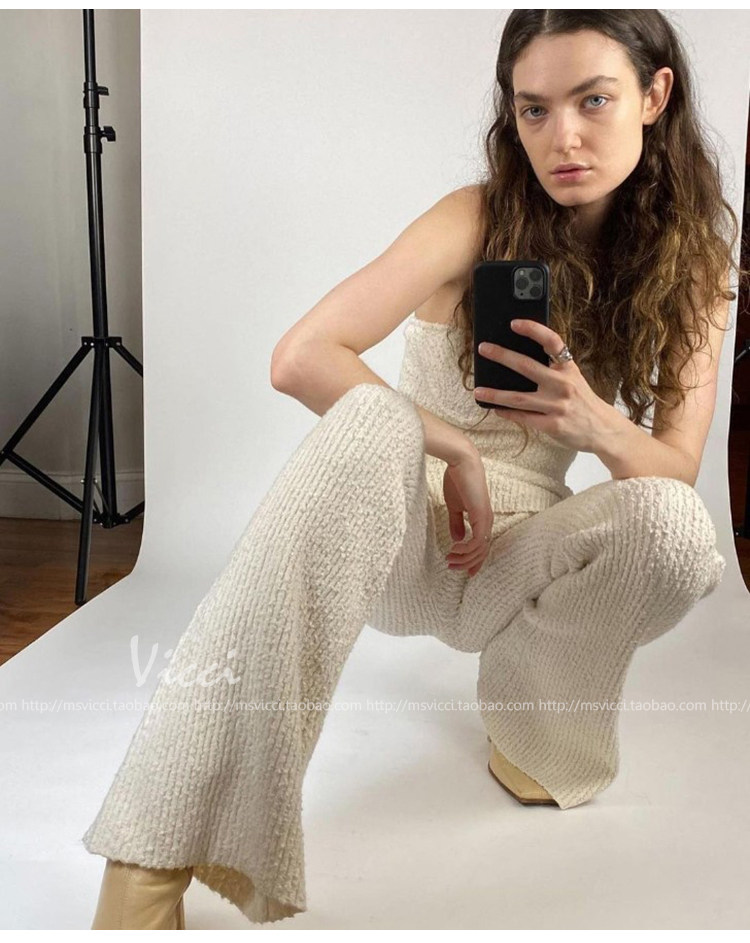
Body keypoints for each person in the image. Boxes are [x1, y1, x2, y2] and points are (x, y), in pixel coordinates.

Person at [81, 10, 743, 930]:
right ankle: (148, 857)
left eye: (593, 100)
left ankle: (534, 722)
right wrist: (454, 445)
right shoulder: (477, 216)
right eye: (535, 109)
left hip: (521, 559)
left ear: (654, 95)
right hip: (409, 535)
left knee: (676, 525)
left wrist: (590, 420)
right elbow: (302, 355)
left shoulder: (694, 264)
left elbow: (675, 465)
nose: (563, 138)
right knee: (370, 422)